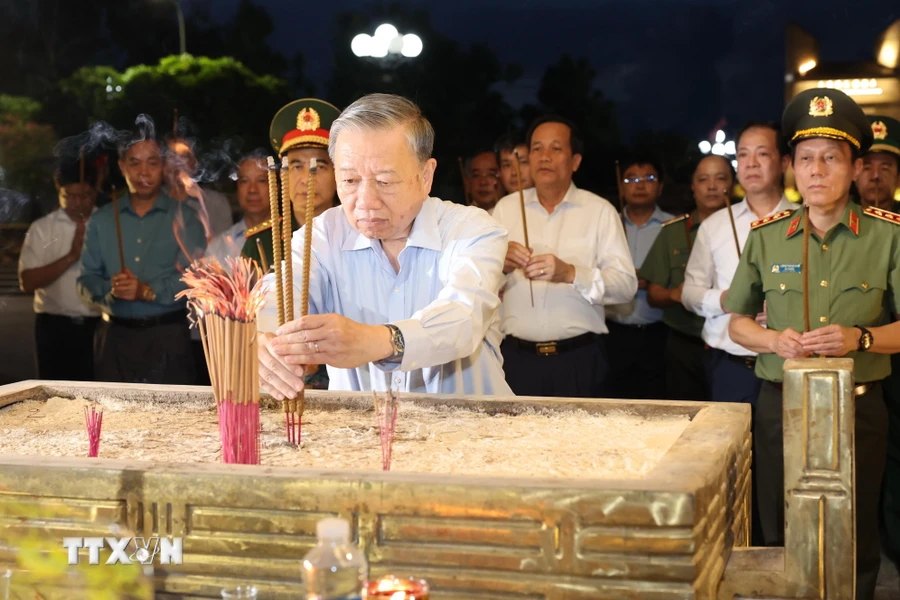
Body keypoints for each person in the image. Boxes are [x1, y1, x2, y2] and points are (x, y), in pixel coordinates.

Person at [725, 88, 892, 600]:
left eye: (831, 158)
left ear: (855, 166)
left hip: (857, 410)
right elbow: (736, 322)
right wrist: (774, 338)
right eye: (805, 159)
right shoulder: (766, 235)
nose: (816, 171)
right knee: (779, 525)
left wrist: (859, 337)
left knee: (856, 529)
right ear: (792, 168)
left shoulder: (889, 237)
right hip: (781, 405)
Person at [256, 93, 511, 397]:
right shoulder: (322, 235)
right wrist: (260, 336)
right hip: (361, 434)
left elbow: (463, 318)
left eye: (385, 182)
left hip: (471, 432)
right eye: (350, 181)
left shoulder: (472, 230)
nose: (366, 201)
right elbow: (284, 290)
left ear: (425, 175)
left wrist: (377, 341)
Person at [491, 115, 637, 398]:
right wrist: (502, 266)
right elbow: (480, 284)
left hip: (580, 359)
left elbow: (626, 287)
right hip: (516, 359)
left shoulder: (599, 211)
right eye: (536, 149)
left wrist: (571, 273)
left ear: (575, 161)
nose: (544, 157)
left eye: (555, 149)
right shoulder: (506, 209)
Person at [77, 126, 206, 384]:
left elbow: (196, 279)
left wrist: (147, 291)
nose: (143, 172)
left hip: (167, 336)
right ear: (122, 166)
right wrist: (110, 289)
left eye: (152, 162)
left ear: (164, 167)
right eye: (134, 163)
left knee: (171, 419)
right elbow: (85, 281)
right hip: (113, 337)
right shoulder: (101, 220)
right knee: (113, 419)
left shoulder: (186, 218)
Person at [682, 121, 795, 405]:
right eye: (743, 155)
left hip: (790, 364)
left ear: (784, 162)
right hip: (731, 366)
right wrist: (727, 300)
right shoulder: (716, 225)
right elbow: (689, 292)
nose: (751, 164)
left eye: (762, 154)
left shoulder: (805, 220)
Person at [640, 155, 732, 400]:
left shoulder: (751, 228)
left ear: (732, 183)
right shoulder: (673, 231)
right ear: (693, 186)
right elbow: (653, 295)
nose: (711, 186)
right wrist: (676, 294)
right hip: (685, 344)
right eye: (703, 180)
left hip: (733, 344)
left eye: (720, 178)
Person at [855, 115, 900, 564]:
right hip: (857, 363)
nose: (875, 174)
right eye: (867, 164)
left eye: (886, 166)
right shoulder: (835, 223)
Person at [18, 159, 101, 380]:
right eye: (69, 196)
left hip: (97, 326)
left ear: (95, 191)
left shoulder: (108, 223)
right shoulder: (43, 228)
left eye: (84, 195)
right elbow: (27, 282)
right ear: (59, 191)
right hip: (53, 327)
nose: (77, 203)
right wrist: (71, 256)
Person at [242, 98, 341, 269]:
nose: (306, 179)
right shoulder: (261, 244)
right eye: (296, 166)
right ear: (281, 175)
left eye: (318, 166)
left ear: (338, 173)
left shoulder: (358, 235)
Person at [605, 158, 673, 399]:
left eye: (648, 178)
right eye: (631, 179)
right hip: (612, 332)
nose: (640, 185)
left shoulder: (672, 226)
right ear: (621, 187)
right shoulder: (607, 222)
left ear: (661, 186)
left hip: (657, 332)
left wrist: (654, 279)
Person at [205, 151, 271, 264]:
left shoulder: (294, 237)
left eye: (261, 181)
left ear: (277, 187)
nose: (252, 190)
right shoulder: (218, 247)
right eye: (244, 181)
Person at [166, 137, 234, 237]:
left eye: (184, 157)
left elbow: (226, 248)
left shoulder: (215, 203)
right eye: (171, 157)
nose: (177, 163)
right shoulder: (152, 203)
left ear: (194, 163)